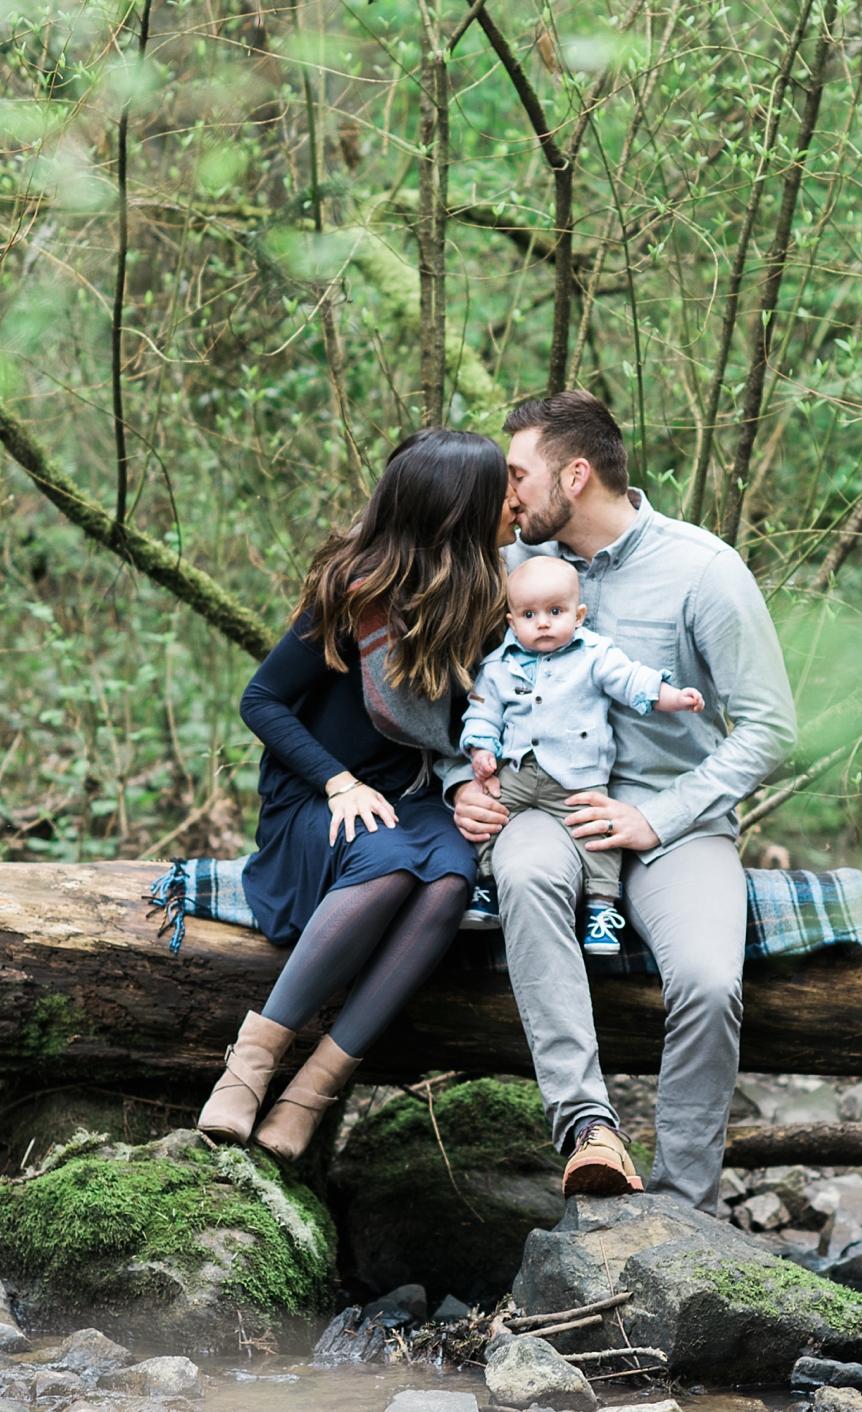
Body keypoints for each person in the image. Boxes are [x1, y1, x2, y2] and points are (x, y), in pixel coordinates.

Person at [444, 391, 795, 1211]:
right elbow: (451, 702)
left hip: (676, 824)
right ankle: (588, 1130)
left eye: (518, 475)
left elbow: (772, 729)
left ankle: (679, 1213)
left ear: (575, 473)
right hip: (548, 809)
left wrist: (656, 817)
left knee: (710, 981)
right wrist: (460, 783)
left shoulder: (703, 570)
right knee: (524, 876)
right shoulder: (504, 574)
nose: (507, 496)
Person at [197, 428, 508, 1160]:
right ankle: (248, 1069)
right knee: (395, 864)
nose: (514, 505)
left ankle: (311, 1092)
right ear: (459, 513)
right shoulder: (354, 595)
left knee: (449, 881)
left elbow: (470, 722)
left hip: (415, 795)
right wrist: (337, 782)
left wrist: (471, 784)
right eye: (500, 493)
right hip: (317, 802)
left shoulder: (485, 597)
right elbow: (262, 700)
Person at [461, 557, 706, 956]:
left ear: (578, 616)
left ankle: (601, 909)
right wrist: (481, 749)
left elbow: (632, 681)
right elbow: (482, 712)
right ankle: (485, 887)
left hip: (578, 775)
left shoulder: (595, 655)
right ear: (511, 622)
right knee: (484, 815)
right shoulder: (499, 666)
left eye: (554, 612)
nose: (542, 623)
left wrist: (674, 697)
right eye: (529, 614)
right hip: (517, 771)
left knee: (597, 833)